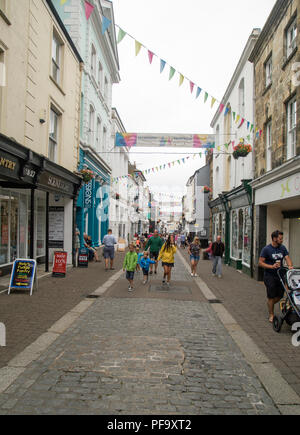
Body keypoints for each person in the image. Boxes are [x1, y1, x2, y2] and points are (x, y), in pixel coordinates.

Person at [259, 230, 293, 324]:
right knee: (271, 296)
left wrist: (290, 266)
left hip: (280, 276)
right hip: (269, 276)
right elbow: (260, 262)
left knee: (280, 296)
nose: (282, 240)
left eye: (282, 238)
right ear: (274, 239)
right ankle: (271, 314)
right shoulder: (266, 249)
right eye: (280, 238)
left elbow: (287, 258)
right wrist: (271, 266)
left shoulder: (282, 248)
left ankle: (270, 303)